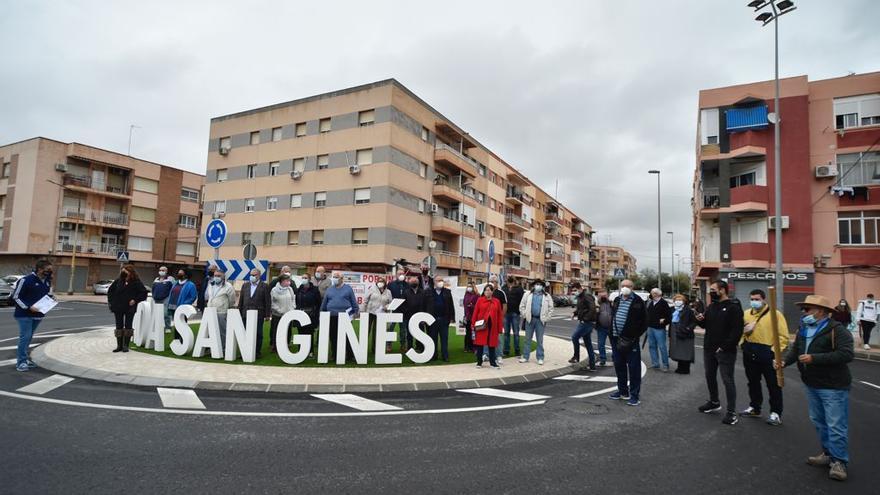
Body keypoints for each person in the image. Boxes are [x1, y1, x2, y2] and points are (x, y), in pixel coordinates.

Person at [778, 295, 854, 482]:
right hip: (812, 383)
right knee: (819, 422)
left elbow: (846, 354)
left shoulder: (837, 330)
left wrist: (815, 358)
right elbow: (796, 350)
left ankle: (839, 461)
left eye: (807, 309)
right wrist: (784, 362)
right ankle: (828, 453)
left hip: (833, 386)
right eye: (803, 309)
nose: (804, 313)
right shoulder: (804, 328)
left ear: (820, 311)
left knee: (835, 425)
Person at [696, 280, 744, 425]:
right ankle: (714, 402)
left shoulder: (733, 307)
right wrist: (700, 320)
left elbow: (737, 331)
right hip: (709, 348)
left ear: (723, 290)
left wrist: (724, 347)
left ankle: (731, 412)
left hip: (725, 351)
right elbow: (707, 325)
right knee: (710, 376)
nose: (711, 292)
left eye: (713, 289)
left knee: (727, 380)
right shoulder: (711, 306)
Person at [740, 289, 789, 425]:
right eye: (752, 299)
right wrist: (742, 344)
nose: (754, 302)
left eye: (757, 299)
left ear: (764, 299)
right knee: (753, 382)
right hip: (750, 350)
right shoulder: (746, 314)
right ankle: (755, 408)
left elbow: (783, 336)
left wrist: (774, 351)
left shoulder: (775, 314)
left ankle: (776, 413)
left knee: (773, 384)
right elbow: (741, 331)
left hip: (767, 351)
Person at [609, 279, 647, 406]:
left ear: (633, 287)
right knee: (619, 365)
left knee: (634, 368)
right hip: (615, 338)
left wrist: (634, 335)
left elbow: (644, 322)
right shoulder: (617, 300)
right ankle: (622, 392)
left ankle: (634, 395)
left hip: (630, 340)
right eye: (623, 286)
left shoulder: (638, 301)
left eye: (628, 286)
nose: (625, 287)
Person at [12, 259, 54, 372]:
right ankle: (21, 362)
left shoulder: (47, 281)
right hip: (24, 314)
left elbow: (47, 295)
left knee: (29, 337)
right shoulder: (25, 280)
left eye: (50, 270)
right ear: (40, 269)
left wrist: (51, 300)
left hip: (38, 314)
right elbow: (15, 297)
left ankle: (25, 359)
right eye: (48, 270)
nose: (50, 272)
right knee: (25, 337)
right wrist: (28, 307)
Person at [107, 264, 148, 353]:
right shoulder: (118, 281)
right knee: (119, 325)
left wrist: (135, 300)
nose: (123, 272)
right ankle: (119, 346)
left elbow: (143, 292)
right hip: (118, 307)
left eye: (125, 271)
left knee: (128, 325)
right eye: (123, 271)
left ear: (130, 272)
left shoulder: (136, 281)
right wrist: (111, 302)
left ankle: (126, 345)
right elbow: (110, 291)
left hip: (129, 307)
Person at [320, 270, 359, 361]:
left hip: (345, 316)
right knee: (333, 336)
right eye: (334, 277)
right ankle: (335, 355)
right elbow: (324, 302)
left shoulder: (348, 288)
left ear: (342, 279)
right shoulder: (330, 289)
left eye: (337, 277)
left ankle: (350, 354)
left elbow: (353, 301)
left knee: (347, 336)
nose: (335, 279)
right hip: (332, 316)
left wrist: (356, 311)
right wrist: (321, 313)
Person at [238, 268, 271, 358]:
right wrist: (239, 312)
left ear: (259, 275)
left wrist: (268, 314)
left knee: (258, 333)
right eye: (251, 275)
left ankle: (256, 352)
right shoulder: (245, 285)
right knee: (245, 332)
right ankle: (245, 351)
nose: (252, 276)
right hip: (245, 312)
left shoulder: (264, 286)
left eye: (254, 275)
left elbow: (268, 301)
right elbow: (241, 300)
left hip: (259, 313)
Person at [519, 279, 553, 365]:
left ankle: (540, 357)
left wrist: (546, 318)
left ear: (542, 287)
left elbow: (551, 308)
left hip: (540, 320)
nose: (538, 286)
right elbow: (522, 305)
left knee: (540, 340)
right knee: (527, 339)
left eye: (540, 285)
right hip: (530, 319)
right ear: (533, 286)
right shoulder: (527, 294)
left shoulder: (547, 296)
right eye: (537, 284)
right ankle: (525, 357)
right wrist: (525, 315)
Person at [471, 284, 503, 368]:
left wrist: (500, 328)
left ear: (492, 292)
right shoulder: (480, 300)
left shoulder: (497, 301)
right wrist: (473, 324)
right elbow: (475, 312)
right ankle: (479, 362)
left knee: (492, 345)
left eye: (489, 290)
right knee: (480, 344)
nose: (488, 291)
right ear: (484, 291)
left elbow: (499, 315)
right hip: (481, 326)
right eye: (486, 290)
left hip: (492, 326)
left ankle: (493, 362)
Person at [569, 282, 598, 370]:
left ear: (580, 288)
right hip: (586, 321)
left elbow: (592, 308)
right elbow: (580, 309)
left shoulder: (587, 296)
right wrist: (574, 313)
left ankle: (576, 357)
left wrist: (585, 319)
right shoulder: (580, 297)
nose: (574, 292)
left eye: (575, 290)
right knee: (588, 343)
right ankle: (592, 365)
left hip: (587, 322)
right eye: (573, 291)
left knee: (574, 337)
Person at [205, 269, 236, 346]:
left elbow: (232, 300)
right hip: (210, 311)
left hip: (222, 312)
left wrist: (226, 307)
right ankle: (211, 347)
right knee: (210, 330)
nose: (216, 277)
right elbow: (208, 296)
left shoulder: (228, 286)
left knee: (222, 331)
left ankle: (224, 347)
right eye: (215, 275)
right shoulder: (210, 285)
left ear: (223, 277)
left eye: (219, 276)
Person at [668, 294, 697, 374]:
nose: (678, 301)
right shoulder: (672, 310)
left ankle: (686, 369)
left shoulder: (688, 310)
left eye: (680, 300)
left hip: (685, 333)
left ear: (684, 301)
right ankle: (679, 367)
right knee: (678, 351)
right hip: (674, 333)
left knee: (686, 351)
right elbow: (670, 321)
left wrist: (688, 328)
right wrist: (670, 334)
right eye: (676, 300)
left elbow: (694, 322)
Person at [295, 273, 322, 358]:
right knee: (300, 333)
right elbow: (296, 302)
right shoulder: (298, 289)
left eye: (305, 278)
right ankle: (300, 351)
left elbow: (318, 303)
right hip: (300, 315)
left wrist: (316, 315)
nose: (304, 279)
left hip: (311, 315)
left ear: (309, 279)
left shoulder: (315, 290)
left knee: (309, 333)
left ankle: (310, 351)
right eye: (302, 277)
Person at [363, 279, 392, 356]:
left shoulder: (388, 292)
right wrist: (363, 311)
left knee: (377, 332)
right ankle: (362, 348)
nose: (380, 283)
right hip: (370, 312)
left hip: (381, 314)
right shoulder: (372, 289)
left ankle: (375, 349)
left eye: (382, 281)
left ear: (385, 283)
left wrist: (387, 307)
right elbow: (365, 300)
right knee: (366, 331)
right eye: (379, 281)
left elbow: (390, 303)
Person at [645, 288, 671, 371]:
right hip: (650, 327)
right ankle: (655, 364)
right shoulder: (650, 302)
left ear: (658, 294)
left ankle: (665, 365)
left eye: (653, 293)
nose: (652, 295)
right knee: (652, 346)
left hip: (659, 329)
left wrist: (664, 321)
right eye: (652, 293)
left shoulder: (663, 303)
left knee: (662, 347)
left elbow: (669, 316)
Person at [269, 274, 297, 353]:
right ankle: (275, 346)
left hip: (288, 314)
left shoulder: (290, 289)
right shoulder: (274, 290)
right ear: (282, 281)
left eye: (289, 281)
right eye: (287, 281)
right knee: (277, 330)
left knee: (288, 330)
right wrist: (279, 310)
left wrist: (292, 307)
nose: (289, 283)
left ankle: (286, 345)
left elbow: (293, 299)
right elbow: (272, 303)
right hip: (278, 315)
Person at [484, 274, 508, 362]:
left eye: (496, 282)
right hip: (487, 320)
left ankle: (499, 355)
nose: (494, 283)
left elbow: (504, 306)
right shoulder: (485, 292)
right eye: (492, 281)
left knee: (498, 338)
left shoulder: (501, 293)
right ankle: (486, 354)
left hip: (497, 320)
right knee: (486, 336)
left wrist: (501, 317)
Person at [168, 269, 197, 339]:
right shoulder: (175, 283)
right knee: (176, 324)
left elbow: (193, 297)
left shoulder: (191, 285)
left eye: (181, 273)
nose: (179, 274)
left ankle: (182, 340)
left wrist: (184, 304)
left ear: (186, 275)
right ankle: (176, 340)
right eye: (178, 273)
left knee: (182, 324)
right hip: (173, 307)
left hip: (182, 308)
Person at [502, 277, 525, 357]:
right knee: (506, 333)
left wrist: (520, 311)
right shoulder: (504, 288)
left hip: (515, 313)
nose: (509, 282)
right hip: (506, 313)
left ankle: (517, 350)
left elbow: (522, 300)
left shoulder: (519, 288)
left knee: (516, 333)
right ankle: (506, 350)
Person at [387, 269, 409, 352]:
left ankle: (403, 345)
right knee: (390, 328)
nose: (401, 275)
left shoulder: (407, 285)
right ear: (396, 275)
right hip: (393, 310)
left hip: (404, 311)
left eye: (403, 273)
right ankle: (388, 345)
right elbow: (388, 295)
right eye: (399, 273)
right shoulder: (391, 284)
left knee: (403, 329)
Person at [401, 274, 424, 353]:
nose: (414, 282)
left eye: (415, 281)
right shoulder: (406, 292)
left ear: (418, 282)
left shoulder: (422, 292)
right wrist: (407, 311)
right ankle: (410, 348)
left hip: (420, 317)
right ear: (409, 283)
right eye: (412, 281)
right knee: (409, 334)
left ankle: (420, 347)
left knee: (420, 333)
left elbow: (424, 304)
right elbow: (403, 304)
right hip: (409, 316)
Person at [151, 266, 174, 330]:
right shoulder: (156, 279)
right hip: (156, 299)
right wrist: (153, 295)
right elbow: (153, 288)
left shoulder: (170, 279)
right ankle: (158, 327)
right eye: (160, 270)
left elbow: (174, 288)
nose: (161, 271)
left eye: (163, 270)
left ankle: (167, 327)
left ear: (166, 271)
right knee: (157, 314)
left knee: (166, 314)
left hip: (166, 298)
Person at [595, 290, 613, 366]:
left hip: (612, 328)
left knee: (614, 344)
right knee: (601, 344)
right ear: (598, 296)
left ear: (607, 296)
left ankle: (615, 358)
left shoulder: (612, 303)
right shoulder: (596, 304)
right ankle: (603, 359)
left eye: (604, 296)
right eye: (601, 296)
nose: (603, 297)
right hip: (601, 327)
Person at [463, 282, 479, 353]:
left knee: (474, 333)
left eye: (470, 286)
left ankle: (474, 347)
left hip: (474, 317)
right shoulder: (466, 295)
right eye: (468, 286)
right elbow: (465, 306)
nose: (469, 287)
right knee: (468, 332)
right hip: (467, 316)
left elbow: (478, 306)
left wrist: (472, 306)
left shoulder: (477, 295)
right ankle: (467, 347)